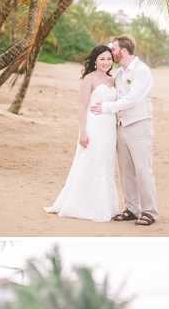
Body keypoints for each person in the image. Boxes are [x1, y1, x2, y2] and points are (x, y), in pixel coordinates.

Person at [43, 44, 119, 222]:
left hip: (109, 129)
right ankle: (80, 204)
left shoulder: (113, 80)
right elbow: (82, 106)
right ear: (95, 60)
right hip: (93, 126)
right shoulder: (89, 79)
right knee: (90, 162)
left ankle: (104, 205)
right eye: (102, 59)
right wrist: (82, 132)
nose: (106, 62)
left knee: (105, 165)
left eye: (109, 59)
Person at [89, 33, 158, 227]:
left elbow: (132, 99)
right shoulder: (120, 73)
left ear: (124, 50)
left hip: (138, 125)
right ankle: (132, 209)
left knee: (143, 170)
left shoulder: (142, 71)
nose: (112, 52)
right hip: (121, 126)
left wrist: (105, 108)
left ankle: (150, 211)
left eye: (114, 49)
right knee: (126, 170)